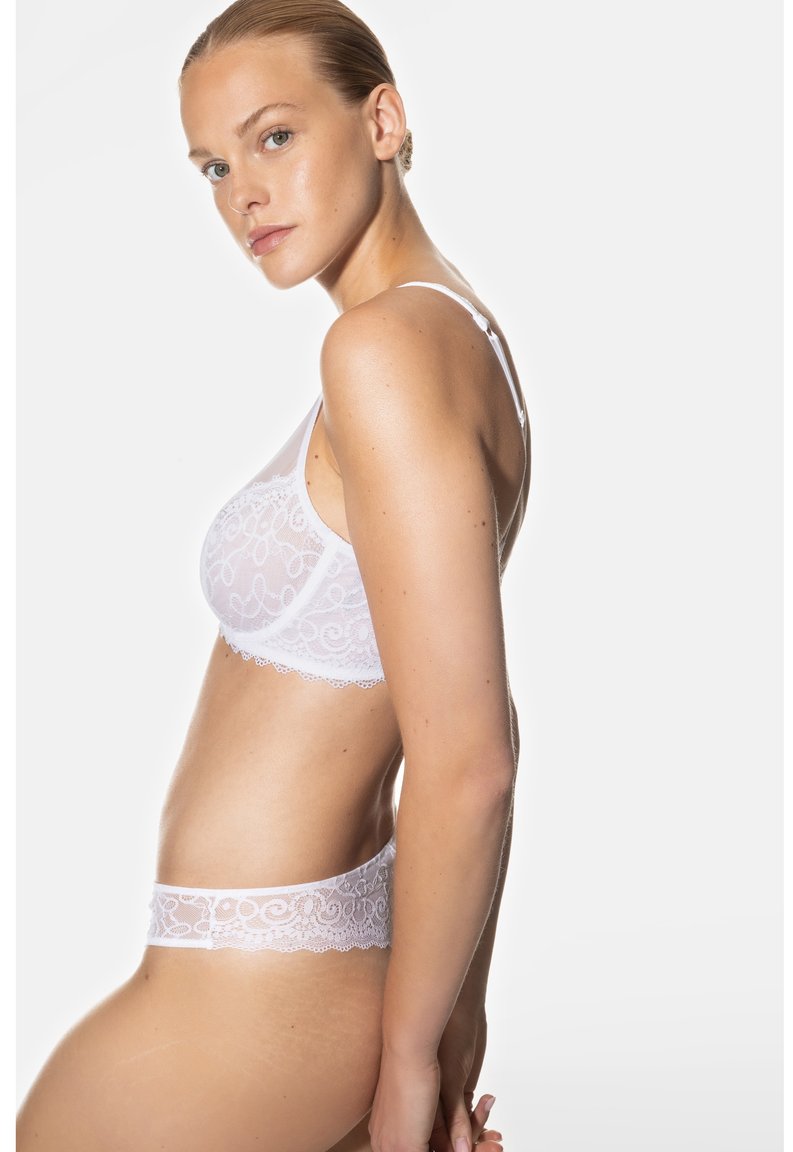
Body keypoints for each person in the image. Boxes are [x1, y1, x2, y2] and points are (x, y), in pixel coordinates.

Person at [17, 0, 530, 1148]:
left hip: (262, 999)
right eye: (212, 166)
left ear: (382, 121)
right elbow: (480, 723)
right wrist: (451, 1024)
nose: (241, 194)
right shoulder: (456, 339)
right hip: (277, 980)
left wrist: (412, 1070)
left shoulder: (384, 350)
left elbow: (470, 760)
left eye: (275, 137)